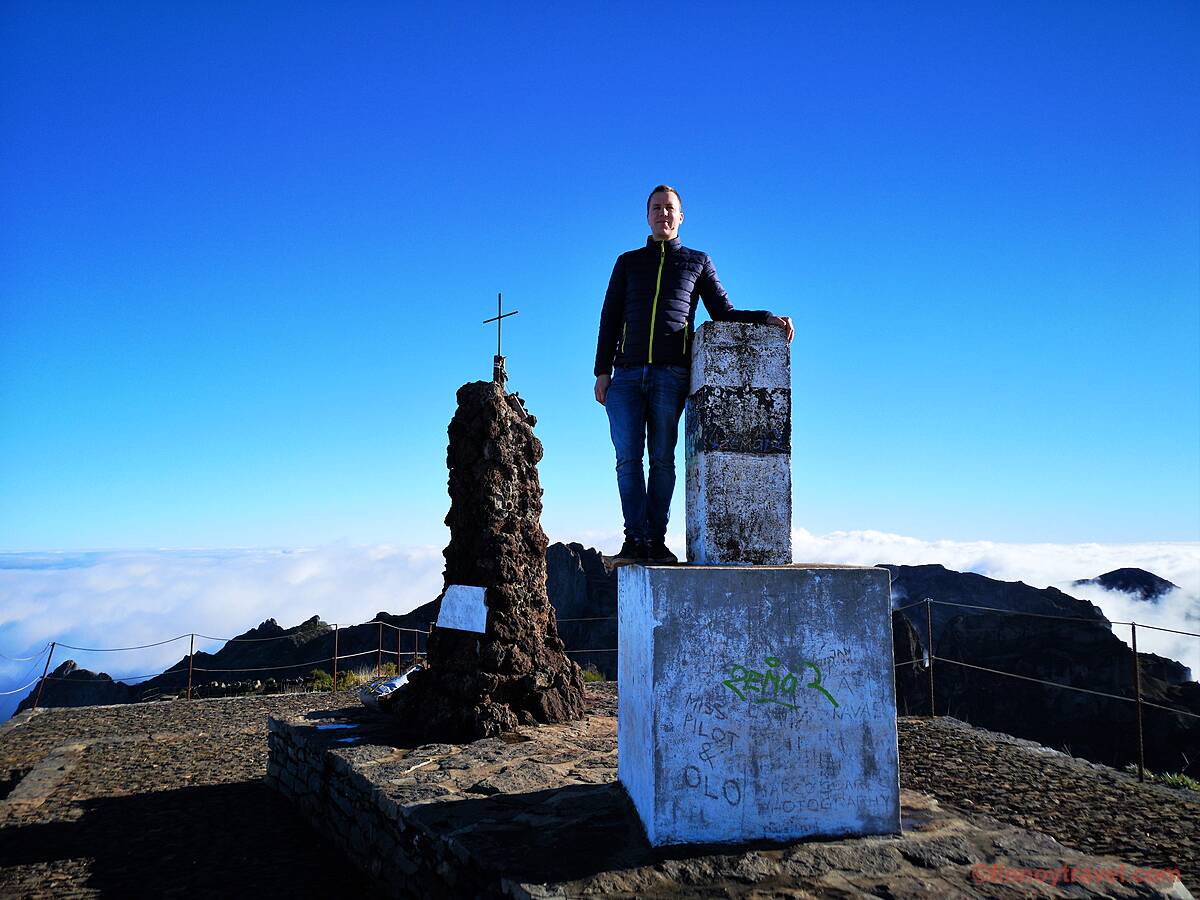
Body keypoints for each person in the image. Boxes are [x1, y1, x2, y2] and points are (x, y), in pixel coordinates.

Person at [593, 185, 793, 564]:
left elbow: (723, 312)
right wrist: (603, 371)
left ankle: (654, 540)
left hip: (671, 375)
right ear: (647, 215)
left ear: (680, 216)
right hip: (627, 375)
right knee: (627, 461)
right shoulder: (627, 262)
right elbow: (609, 318)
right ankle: (635, 540)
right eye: (656, 208)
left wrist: (766, 318)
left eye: (670, 209)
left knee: (663, 461)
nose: (663, 214)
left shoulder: (697, 262)